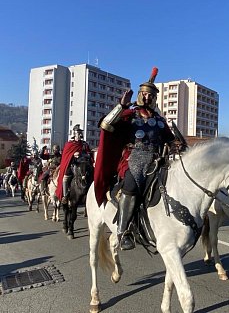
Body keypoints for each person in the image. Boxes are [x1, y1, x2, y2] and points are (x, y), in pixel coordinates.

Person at [94, 67, 177, 251]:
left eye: (151, 95)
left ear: (155, 99)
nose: (147, 98)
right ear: (139, 95)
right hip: (133, 158)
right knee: (132, 181)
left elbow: (170, 140)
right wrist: (121, 106)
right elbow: (106, 125)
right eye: (144, 94)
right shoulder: (130, 115)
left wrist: (176, 145)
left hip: (156, 159)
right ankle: (123, 232)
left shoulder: (159, 121)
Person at [56, 124, 93, 204]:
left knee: (92, 175)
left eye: (81, 133)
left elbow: (89, 153)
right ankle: (65, 196)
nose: (80, 134)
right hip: (73, 164)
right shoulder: (69, 144)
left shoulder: (84, 144)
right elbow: (66, 155)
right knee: (65, 178)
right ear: (74, 134)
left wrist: (83, 154)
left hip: (83, 164)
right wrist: (73, 155)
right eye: (78, 133)